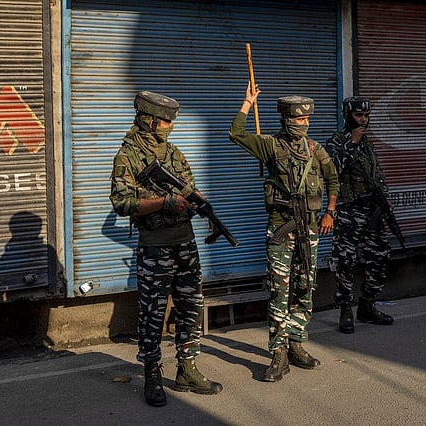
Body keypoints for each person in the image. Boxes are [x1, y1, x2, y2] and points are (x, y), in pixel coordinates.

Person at [109, 91, 222, 407]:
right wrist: (164, 202)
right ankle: (152, 374)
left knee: (191, 306)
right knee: (153, 312)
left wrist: (205, 209)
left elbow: (190, 188)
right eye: (166, 121)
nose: (171, 126)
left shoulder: (174, 153)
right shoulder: (127, 156)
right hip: (155, 247)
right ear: (150, 121)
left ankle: (188, 368)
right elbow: (121, 203)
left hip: (185, 244)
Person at [229, 83, 339, 382]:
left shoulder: (315, 149)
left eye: (307, 119)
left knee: (305, 287)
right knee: (280, 291)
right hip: (281, 228)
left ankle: (296, 344)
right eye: (300, 119)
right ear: (287, 120)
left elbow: (333, 180)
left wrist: (330, 211)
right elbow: (236, 134)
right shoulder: (271, 146)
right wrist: (247, 104)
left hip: (310, 229)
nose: (305, 123)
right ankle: (278, 353)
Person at [325, 96, 395, 334]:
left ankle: (367, 304)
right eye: (358, 115)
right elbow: (331, 171)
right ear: (348, 116)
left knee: (380, 256)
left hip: (372, 210)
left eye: (366, 116)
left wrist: (385, 201)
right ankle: (346, 309)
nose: (363, 120)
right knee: (345, 261)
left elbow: (377, 174)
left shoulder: (368, 143)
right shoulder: (337, 141)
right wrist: (351, 143)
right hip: (348, 210)